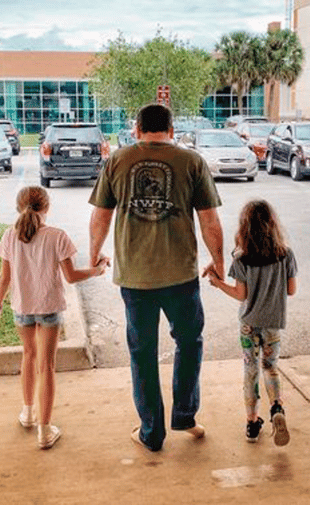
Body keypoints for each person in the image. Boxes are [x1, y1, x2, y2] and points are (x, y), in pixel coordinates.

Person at [88, 104, 224, 452]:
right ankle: (184, 415)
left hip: (135, 277)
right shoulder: (192, 162)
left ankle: (152, 433)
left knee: (143, 354)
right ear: (171, 128)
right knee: (190, 342)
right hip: (181, 275)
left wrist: (94, 254)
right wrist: (218, 261)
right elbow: (209, 220)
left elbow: (101, 217)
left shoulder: (117, 160)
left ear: (137, 128)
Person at [0, 186, 108, 449]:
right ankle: (44, 430)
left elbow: (4, 278)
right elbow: (71, 277)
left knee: (28, 355)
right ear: (47, 207)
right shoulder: (57, 236)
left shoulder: (9, 236)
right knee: (47, 366)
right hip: (50, 308)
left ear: (20, 207)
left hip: (22, 308)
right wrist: (97, 271)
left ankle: (28, 413)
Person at [205, 199, 297, 446]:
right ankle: (277, 408)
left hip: (248, 324)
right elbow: (291, 290)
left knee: (250, 371)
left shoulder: (242, 259)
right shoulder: (285, 253)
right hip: (273, 322)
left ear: (244, 227)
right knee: (270, 367)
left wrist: (217, 282)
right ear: (272, 224)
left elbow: (240, 295)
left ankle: (252, 424)